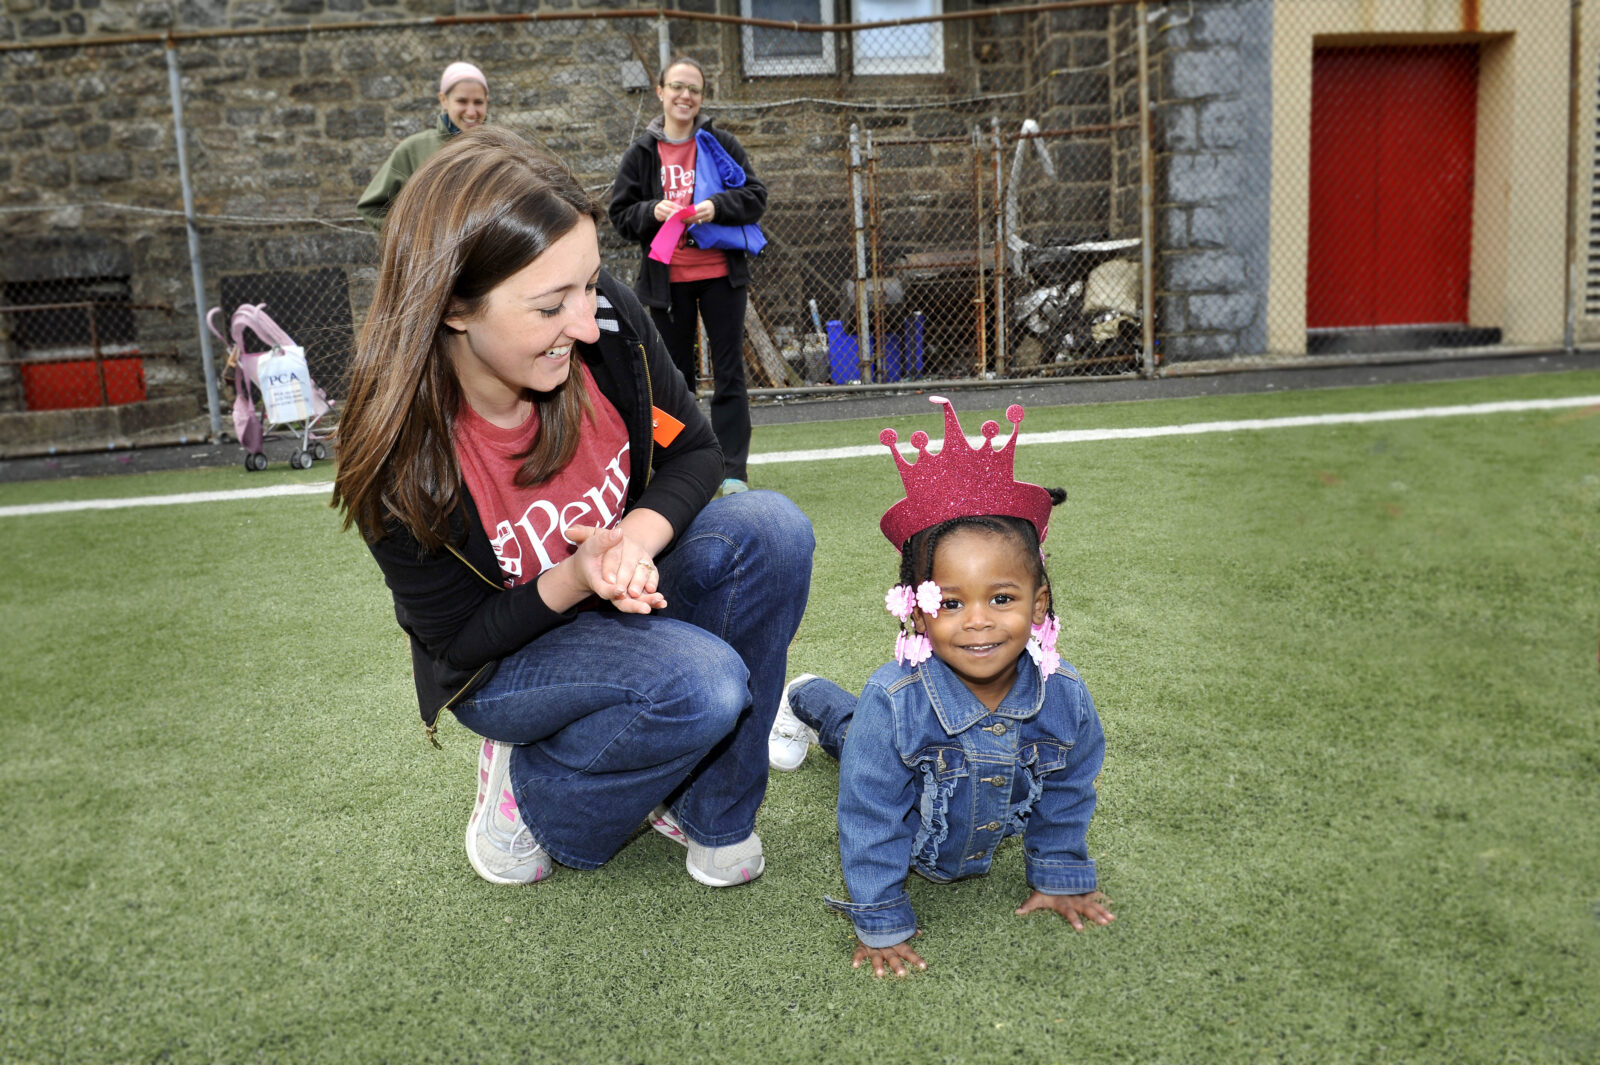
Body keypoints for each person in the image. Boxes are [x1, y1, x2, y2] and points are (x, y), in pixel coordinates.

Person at [332, 126, 814, 890]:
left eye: (590, 284)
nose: (589, 322)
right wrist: (579, 575)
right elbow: (458, 642)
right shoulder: (399, 452)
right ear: (454, 305)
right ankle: (531, 792)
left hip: (612, 598)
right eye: (552, 304)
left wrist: (631, 540)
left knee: (772, 529)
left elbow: (696, 453)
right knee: (704, 685)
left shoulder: (607, 323)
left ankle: (713, 812)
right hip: (506, 655)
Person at [767, 397, 1114, 976]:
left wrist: (1059, 873)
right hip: (896, 731)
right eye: (951, 603)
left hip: (925, 747)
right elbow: (870, 815)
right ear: (918, 614)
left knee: (865, 734)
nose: (977, 620)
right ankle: (805, 694)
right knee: (858, 738)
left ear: (1039, 603)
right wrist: (879, 918)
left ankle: (817, 696)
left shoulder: (1066, 694)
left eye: (1002, 598)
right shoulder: (893, 702)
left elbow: (1069, 789)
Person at [608, 56, 766, 498]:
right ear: (660, 92)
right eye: (677, 86)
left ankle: (734, 470)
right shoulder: (642, 152)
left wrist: (718, 207)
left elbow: (755, 197)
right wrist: (650, 211)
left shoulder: (720, 142)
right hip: (668, 285)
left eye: (693, 89)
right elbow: (619, 215)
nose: (685, 96)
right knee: (673, 379)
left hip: (721, 277)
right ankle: (683, 468)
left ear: (701, 98)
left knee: (730, 374)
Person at [356, 61, 490, 232]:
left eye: (478, 102)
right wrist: (412, 239)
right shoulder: (412, 150)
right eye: (462, 101)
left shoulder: (503, 148)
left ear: (487, 101)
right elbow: (372, 207)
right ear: (443, 100)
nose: (471, 112)